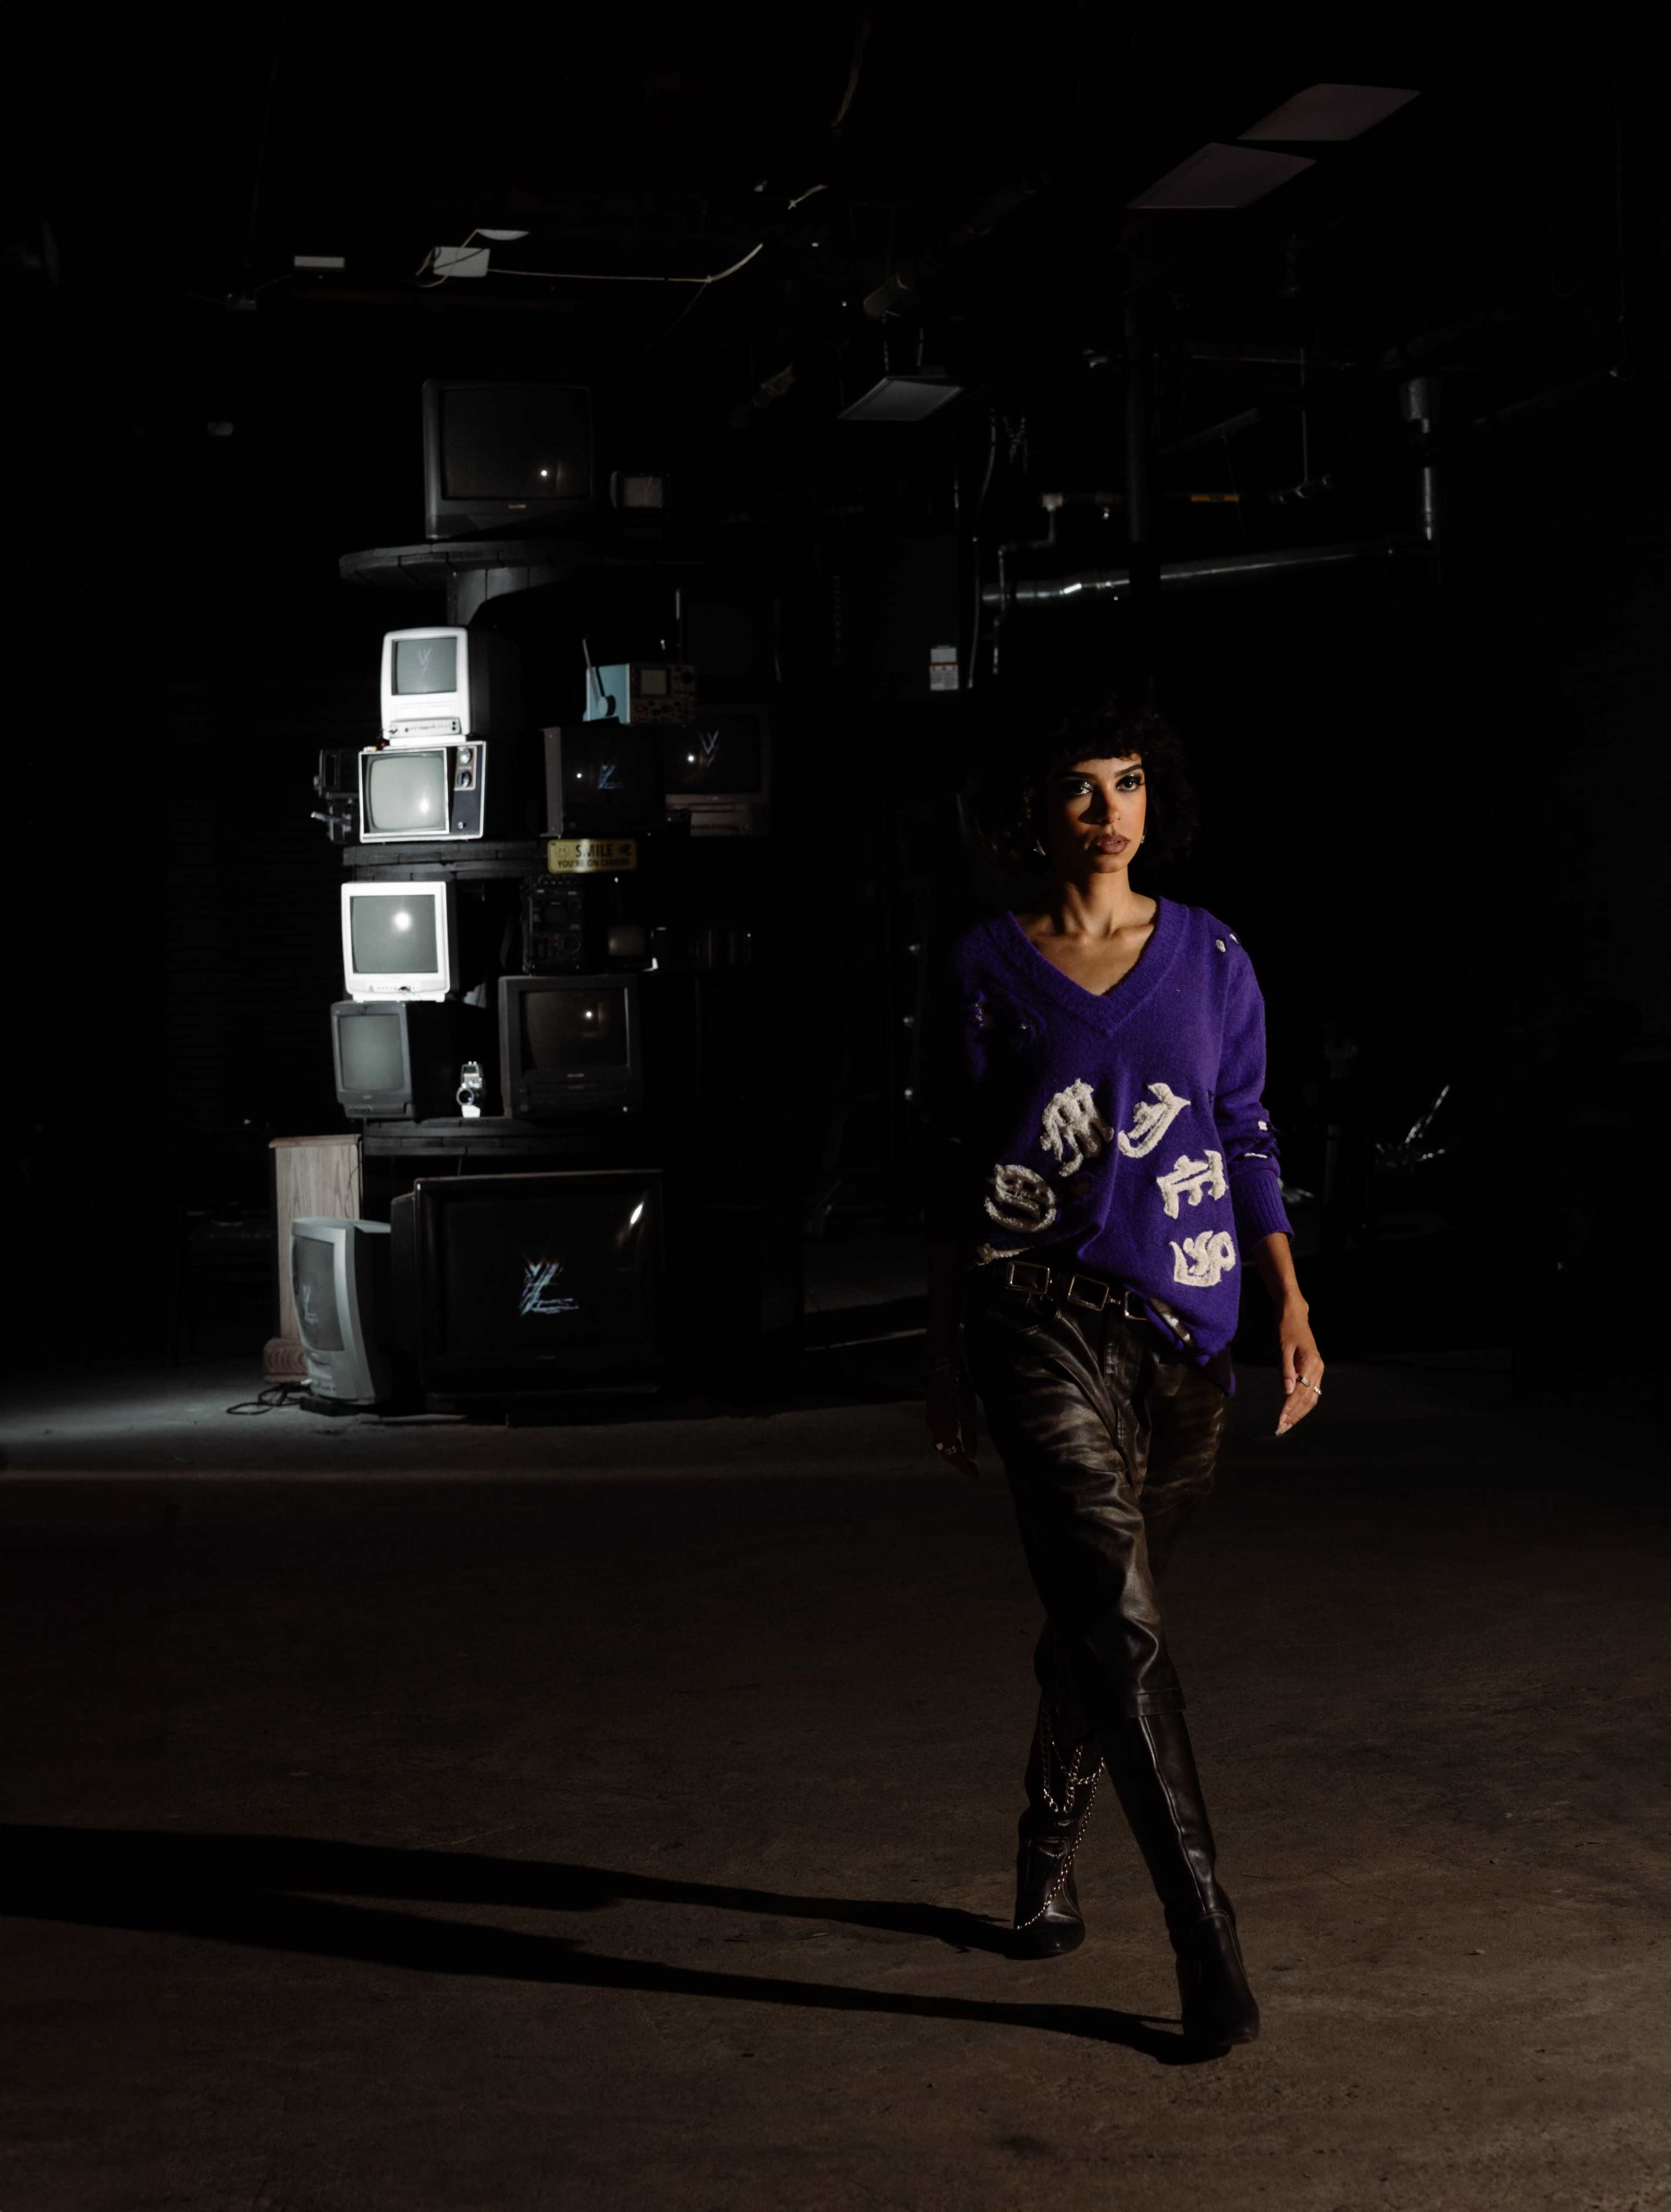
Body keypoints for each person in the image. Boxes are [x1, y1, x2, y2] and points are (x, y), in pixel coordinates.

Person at [919, 688, 1324, 2051]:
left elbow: (1248, 1128)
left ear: (1160, 800)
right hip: (1034, 1316)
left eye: (1131, 780)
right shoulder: (985, 962)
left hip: (1187, 1334)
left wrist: (1288, 1297)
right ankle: (1207, 1944)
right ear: (1034, 813)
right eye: (1081, 786)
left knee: (1108, 1623)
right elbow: (960, 1170)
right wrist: (942, 1347)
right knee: (1126, 1622)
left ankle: (1048, 1834)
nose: (1108, 811)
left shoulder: (1211, 958)